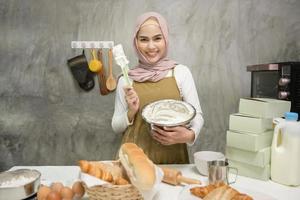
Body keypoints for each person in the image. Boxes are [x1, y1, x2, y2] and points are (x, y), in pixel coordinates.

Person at [112, 12, 204, 164]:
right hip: (133, 163)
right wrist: (131, 112)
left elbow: (197, 115)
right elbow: (116, 126)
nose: (151, 46)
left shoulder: (180, 72)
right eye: (143, 39)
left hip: (173, 160)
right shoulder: (126, 80)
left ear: (165, 39)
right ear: (136, 42)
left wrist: (188, 135)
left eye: (157, 38)